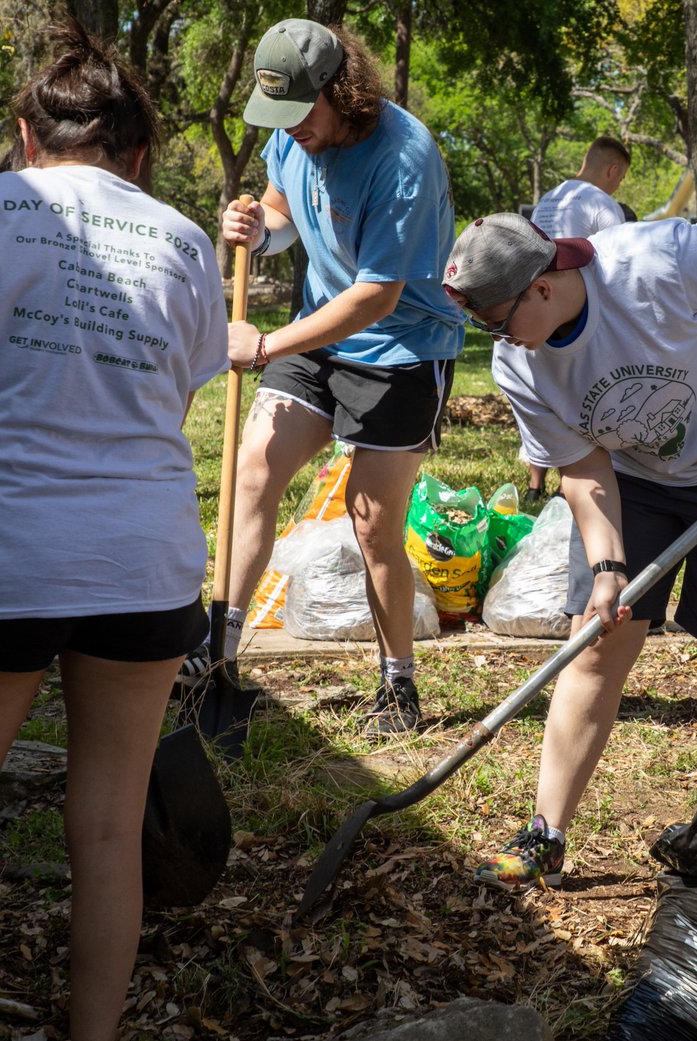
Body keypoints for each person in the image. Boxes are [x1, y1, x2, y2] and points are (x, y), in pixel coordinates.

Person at [0, 21, 226, 1040]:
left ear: (24, 136)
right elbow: (167, 404)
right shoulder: (182, 239)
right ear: (137, 153)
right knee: (106, 824)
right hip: (142, 560)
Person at [442, 211, 697, 891]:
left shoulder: (654, 260)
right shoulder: (519, 364)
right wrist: (608, 565)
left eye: (499, 321)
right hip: (635, 477)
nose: (497, 339)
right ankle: (545, 833)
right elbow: (583, 466)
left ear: (543, 288)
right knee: (593, 642)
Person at [214, 19, 464, 735]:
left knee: (371, 517)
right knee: (255, 467)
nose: (289, 130)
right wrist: (257, 228)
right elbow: (283, 210)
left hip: (403, 346)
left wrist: (263, 345)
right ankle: (216, 660)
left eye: (299, 113)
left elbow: (376, 296)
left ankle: (398, 685)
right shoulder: (293, 134)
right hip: (316, 331)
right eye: (276, 116)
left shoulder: (403, 156)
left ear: (340, 92)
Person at [521, 137, 632, 505]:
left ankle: (535, 483)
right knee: (585, 395)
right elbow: (617, 263)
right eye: (620, 178)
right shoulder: (602, 202)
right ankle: (584, 474)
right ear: (613, 170)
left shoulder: (549, 199)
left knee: (543, 393)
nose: (617, 186)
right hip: (582, 316)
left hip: (537, 309)